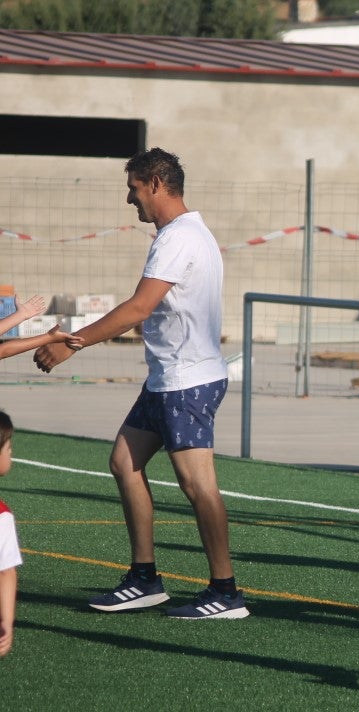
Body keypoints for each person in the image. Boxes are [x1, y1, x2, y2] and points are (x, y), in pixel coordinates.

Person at [33, 147, 248, 620]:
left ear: (155, 183)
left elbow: (138, 307)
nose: (130, 201)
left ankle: (226, 591)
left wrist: (74, 342)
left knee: (197, 484)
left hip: (186, 382)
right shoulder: (183, 233)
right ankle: (145, 578)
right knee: (124, 463)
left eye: (133, 189)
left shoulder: (179, 237)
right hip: (166, 378)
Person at [0, 412, 22, 656]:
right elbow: (5, 571)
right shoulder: (1, 516)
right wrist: (6, 622)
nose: (11, 453)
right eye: (8, 448)